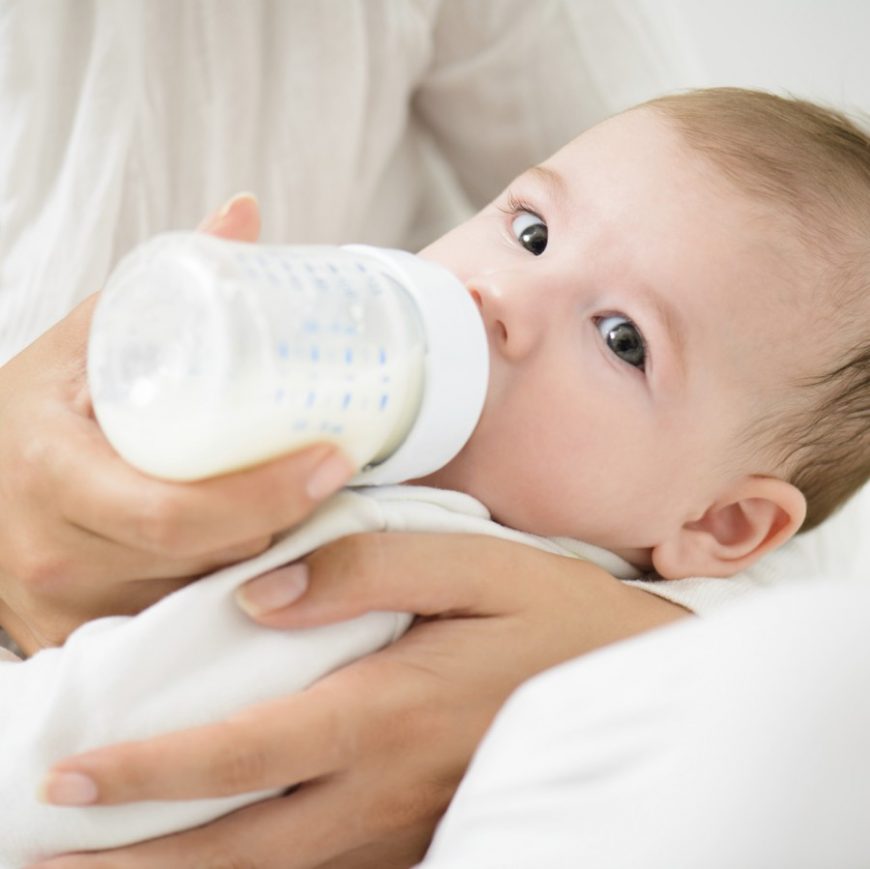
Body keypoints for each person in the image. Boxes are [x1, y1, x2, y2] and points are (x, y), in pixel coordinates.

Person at [8, 87, 870, 864]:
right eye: (530, 230)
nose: (497, 297)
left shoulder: (398, 570)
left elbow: (56, 757)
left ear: (724, 527)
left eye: (622, 339)